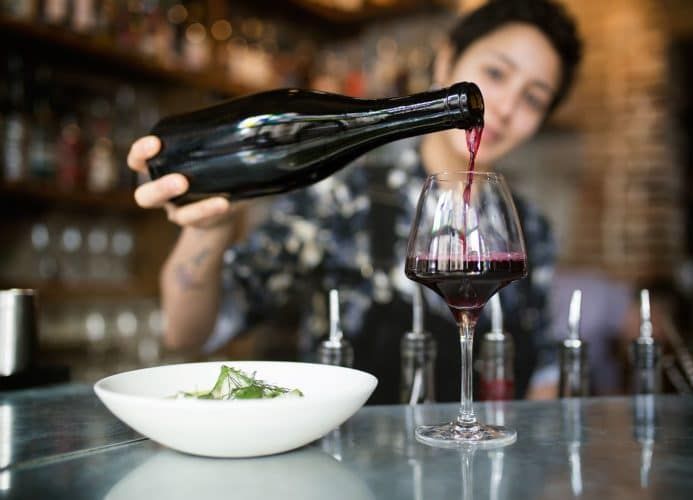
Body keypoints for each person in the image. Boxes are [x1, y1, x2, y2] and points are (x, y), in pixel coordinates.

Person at [127, 0, 582, 404]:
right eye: (497, 73)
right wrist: (208, 229)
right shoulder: (342, 195)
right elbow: (187, 334)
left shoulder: (529, 229)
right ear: (447, 61)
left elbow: (541, 374)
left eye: (533, 99)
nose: (503, 106)